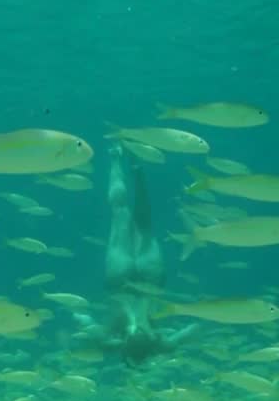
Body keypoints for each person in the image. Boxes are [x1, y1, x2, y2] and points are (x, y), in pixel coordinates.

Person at [72, 144, 195, 365]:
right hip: (121, 283)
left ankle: (133, 166)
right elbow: (83, 320)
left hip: (148, 281)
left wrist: (168, 344)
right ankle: (118, 158)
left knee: (141, 222)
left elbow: (192, 330)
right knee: (122, 214)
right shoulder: (113, 342)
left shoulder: (156, 345)